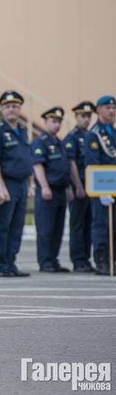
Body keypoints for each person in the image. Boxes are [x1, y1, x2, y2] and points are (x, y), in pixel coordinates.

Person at [0, 91, 33, 277]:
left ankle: (11, 262)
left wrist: (30, 183)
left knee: (17, 226)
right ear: (2, 109)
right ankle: (1, 265)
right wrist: (0, 187)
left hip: (22, 183)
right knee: (3, 225)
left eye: (15, 106)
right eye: (7, 106)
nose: (11, 110)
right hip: (7, 183)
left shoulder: (23, 131)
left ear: (20, 109)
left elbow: (27, 158)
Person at [32, 107, 71, 273]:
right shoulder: (41, 141)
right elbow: (38, 165)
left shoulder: (59, 142)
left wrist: (69, 187)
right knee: (46, 229)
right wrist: (45, 186)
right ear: (45, 122)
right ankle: (45, 261)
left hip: (61, 190)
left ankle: (53, 259)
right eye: (53, 121)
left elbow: (65, 167)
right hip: (48, 191)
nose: (57, 125)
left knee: (57, 229)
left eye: (59, 122)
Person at [83, 95, 116, 276]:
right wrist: (102, 189)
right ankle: (102, 261)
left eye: (113, 108)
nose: (111, 111)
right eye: (107, 108)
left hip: (115, 187)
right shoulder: (94, 135)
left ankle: (113, 260)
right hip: (102, 188)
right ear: (98, 110)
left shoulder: (113, 133)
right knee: (101, 225)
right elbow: (92, 164)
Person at [63, 101, 96, 272]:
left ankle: (86, 258)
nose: (86, 119)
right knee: (78, 224)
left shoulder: (91, 135)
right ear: (76, 116)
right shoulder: (72, 137)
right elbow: (71, 163)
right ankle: (78, 259)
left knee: (89, 222)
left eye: (89, 116)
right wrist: (78, 186)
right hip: (80, 186)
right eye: (83, 116)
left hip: (92, 185)